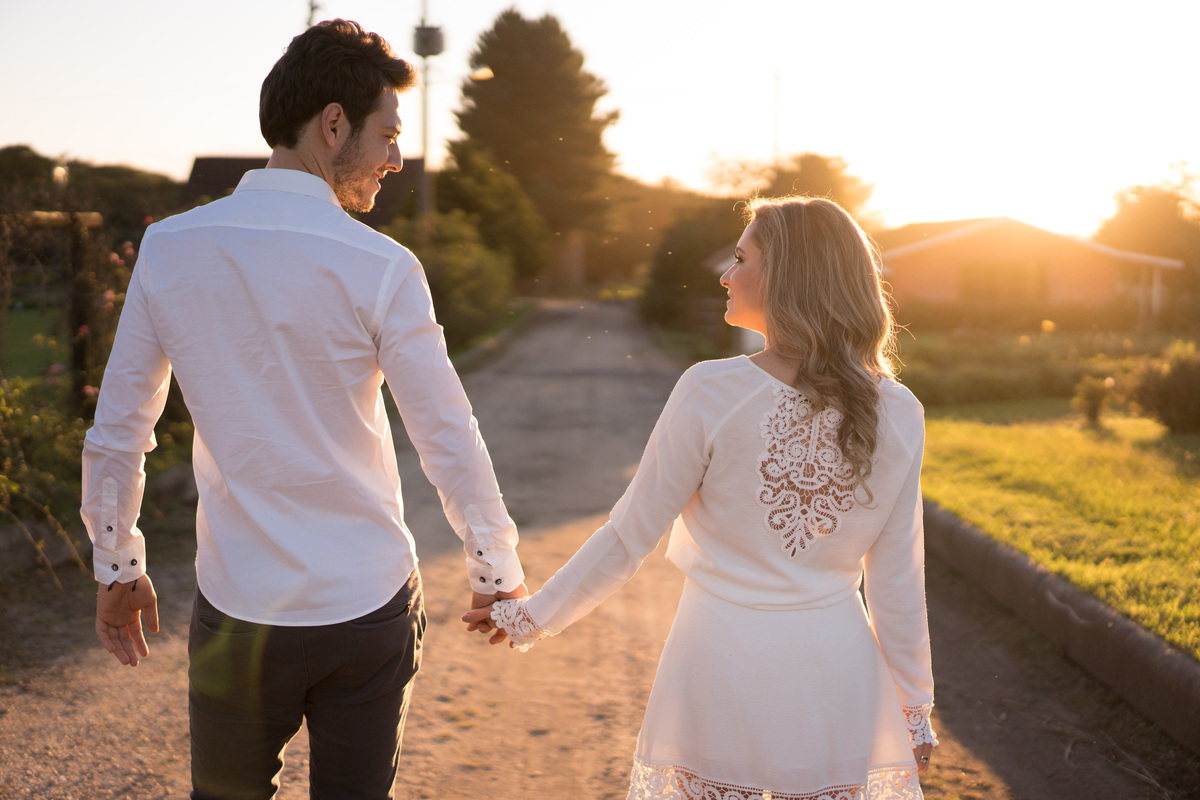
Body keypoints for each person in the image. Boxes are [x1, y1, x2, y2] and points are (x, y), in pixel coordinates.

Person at [82, 19, 525, 800]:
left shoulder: (172, 247)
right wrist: (493, 566)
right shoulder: (381, 264)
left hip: (239, 607)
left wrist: (118, 565)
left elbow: (122, 429)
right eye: (387, 134)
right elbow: (446, 431)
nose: (394, 157)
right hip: (367, 608)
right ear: (331, 123)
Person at [466, 196, 937, 799]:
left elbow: (627, 537)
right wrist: (913, 708)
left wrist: (529, 615)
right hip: (838, 677)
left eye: (741, 259)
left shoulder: (710, 391)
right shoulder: (900, 411)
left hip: (719, 668)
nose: (726, 274)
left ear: (786, 275)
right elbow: (898, 580)